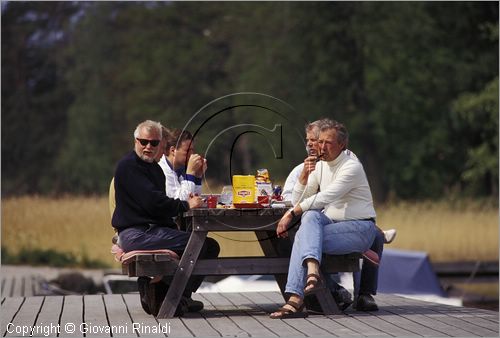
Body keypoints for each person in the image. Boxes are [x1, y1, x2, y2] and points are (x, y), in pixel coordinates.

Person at [270, 119, 378, 319]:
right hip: (332, 226)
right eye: (319, 142)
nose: (321, 147)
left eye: (327, 143)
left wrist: (291, 213)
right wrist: (303, 177)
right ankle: (311, 272)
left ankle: (295, 299)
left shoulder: (351, 166)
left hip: (359, 228)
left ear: (341, 145)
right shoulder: (319, 167)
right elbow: (300, 201)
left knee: (303, 237)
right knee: (309, 218)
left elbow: (326, 197)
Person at [112, 120, 220, 316]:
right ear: (135, 141)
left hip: (151, 230)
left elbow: (160, 208)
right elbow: (155, 203)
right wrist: (186, 205)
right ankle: (161, 289)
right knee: (199, 244)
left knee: (208, 245)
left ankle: (175, 295)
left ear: (160, 144)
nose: (148, 147)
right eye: (143, 142)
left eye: (154, 143)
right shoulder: (128, 166)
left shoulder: (154, 169)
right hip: (135, 233)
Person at [158, 128, 206, 200]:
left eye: (192, 150)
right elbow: (181, 201)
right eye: (187, 151)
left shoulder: (178, 169)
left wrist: (197, 176)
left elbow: (193, 198)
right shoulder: (163, 171)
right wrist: (190, 173)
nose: (191, 155)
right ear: (173, 150)